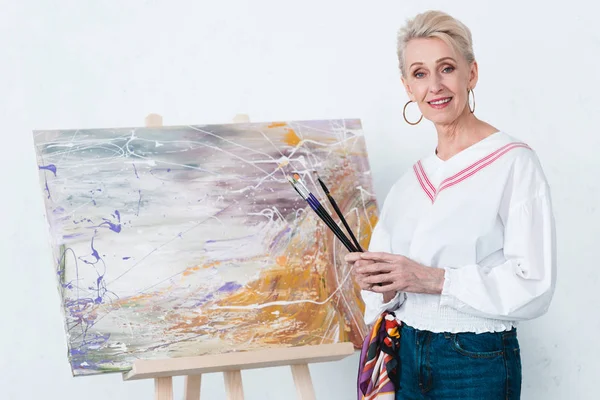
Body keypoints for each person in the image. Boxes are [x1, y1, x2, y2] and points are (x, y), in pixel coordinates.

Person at [346, 10, 556, 400]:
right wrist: (380, 283)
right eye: (420, 73)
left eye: (446, 68)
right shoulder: (409, 183)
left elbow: (535, 284)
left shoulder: (513, 162)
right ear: (408, 86)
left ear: (471, 74)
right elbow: (386, 295)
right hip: (406, 355)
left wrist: (434, 279)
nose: (435, 86)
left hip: (474, 361)